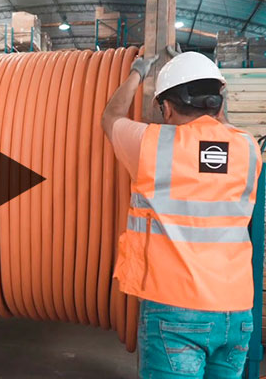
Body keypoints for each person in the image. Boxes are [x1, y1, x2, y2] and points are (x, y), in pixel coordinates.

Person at [102, 49, 262, 378]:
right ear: (217, 103)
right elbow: (222, 124)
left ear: (167, 107)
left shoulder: (150, 144)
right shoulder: (248, 148)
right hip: (236, 311)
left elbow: (111, 117)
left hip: (176, 311)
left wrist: (137, 73)